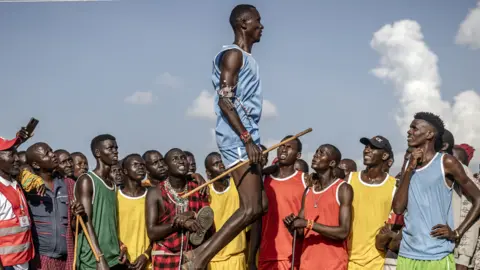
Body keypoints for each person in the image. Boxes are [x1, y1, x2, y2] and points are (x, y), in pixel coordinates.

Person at [181, 5, 266, 269]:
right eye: (257, 21)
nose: (262, 26)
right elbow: (225, 100)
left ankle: (201, 252)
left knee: (260, 204)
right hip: (236, 138)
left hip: (246, 136)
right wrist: (246, 139)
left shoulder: (247, 58)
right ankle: (200, 258)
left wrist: (253, 138)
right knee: (251, 208)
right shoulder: (232, 55)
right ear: (243, 24)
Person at [393, 112, 480, 269]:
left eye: (414, 128)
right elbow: (398, 208)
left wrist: (457, 232)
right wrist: (409, 169)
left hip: (437, 255)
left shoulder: (446, 162)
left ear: (429, 134)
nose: (409, 131)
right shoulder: (409, 164)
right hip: (407, 253)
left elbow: (478, 199)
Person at [284, 144, 353, 270]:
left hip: (333, 265)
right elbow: (301, 233)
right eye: (316, 152)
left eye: (322, 153)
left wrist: (308, 224)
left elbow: (343, 232)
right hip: (307, 264)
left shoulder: (343, 189)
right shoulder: (308, 191)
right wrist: (292, 225)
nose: (316, 155)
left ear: (332, 163)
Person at [146, 148, 213, 270]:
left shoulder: (198, 188)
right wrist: (180, 223)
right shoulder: (155, 192)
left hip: (193, 259)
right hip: (165, 259)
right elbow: (152, 232)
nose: (181, 161)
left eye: (183, 158)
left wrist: (192, 214)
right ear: (166, 166)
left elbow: (208, 222)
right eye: (175, 159)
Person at [26, 143, 82, 270]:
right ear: (35, 165)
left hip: (67, 259)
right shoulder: (28, 189)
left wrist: (79, 214)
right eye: (47, 154)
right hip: (39, 261)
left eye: (51, 151)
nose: (53, 155)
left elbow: (74, 227)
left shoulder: (68, 185)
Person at [74, 134, 125, 270]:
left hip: (113, 257)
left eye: (116, 148)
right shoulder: (87, 180)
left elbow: (109, 222)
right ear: (98, 153)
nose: (115, 151)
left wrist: (119, 245)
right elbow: (86, 221)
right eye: (110, 148)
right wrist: (99, 257)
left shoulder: (112, 184)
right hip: (93, 260)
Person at [256, 135, 306, 270]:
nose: (284, 150)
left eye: (289, 147)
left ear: (298, 155)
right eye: (282, 146)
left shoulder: (305, 180)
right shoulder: (264, 179)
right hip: (267, 252)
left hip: (292, 254)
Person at [348, 135, 397, 270]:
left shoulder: (394, 186)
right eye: (366, 147)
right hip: (347, 258)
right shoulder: (350, 179)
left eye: (373, 148)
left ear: (385, 155)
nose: (367, 150)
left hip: (377, 261)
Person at [205, 152, 247, 270]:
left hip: (236, 257)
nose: (221, 165)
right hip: (213, 260)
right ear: (208, 173)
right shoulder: (205, 192)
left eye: (221, 162)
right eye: (216, 164)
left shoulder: (238, 185)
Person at [0, 131, 35, 270]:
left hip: (24, 260)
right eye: (11, 154)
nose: (17, 158)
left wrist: (21, 138)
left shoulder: (16, 182)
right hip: (7, 264)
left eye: (16, 153)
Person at [117, 154, 151, 270]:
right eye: (136, 165)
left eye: (143, 165)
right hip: (121, 261)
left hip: (147, 263)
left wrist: (146, 255)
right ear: (125, 171)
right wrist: (119, 248)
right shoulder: (115, 197)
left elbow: (159, 232)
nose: (141, 167)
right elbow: (108, 229)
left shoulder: (152, 196)